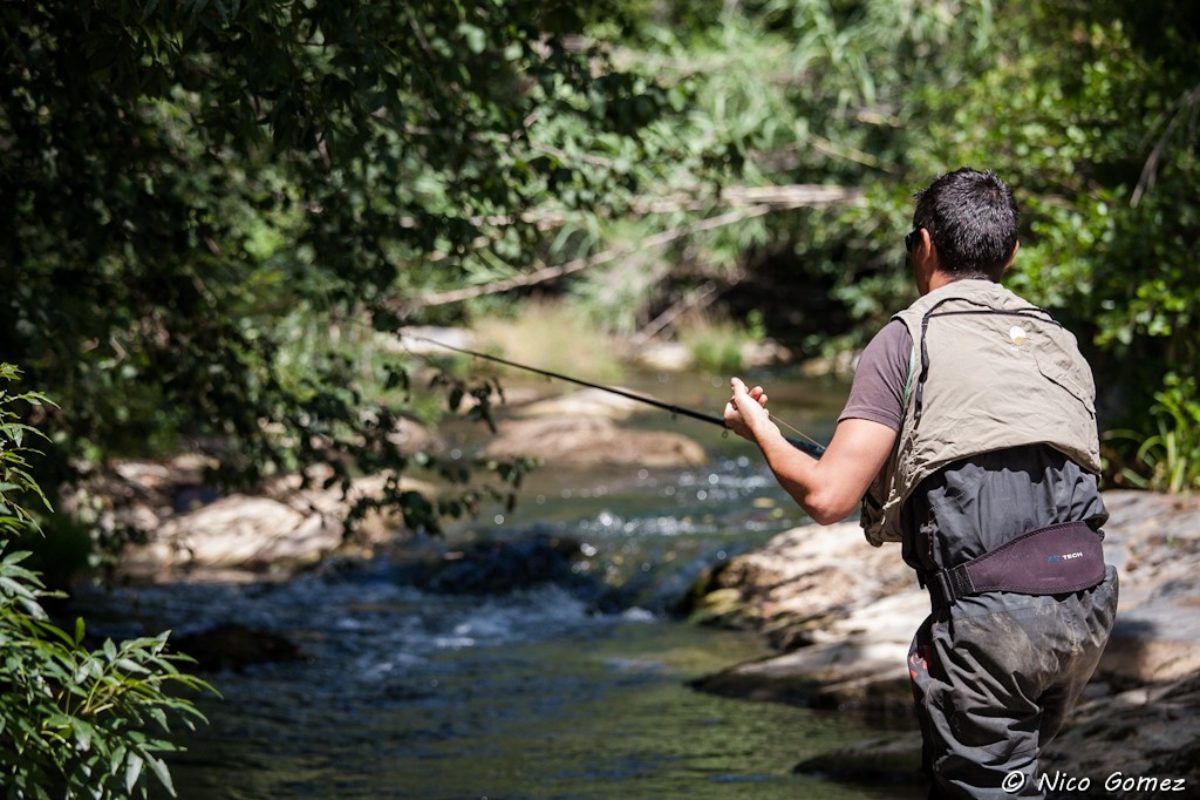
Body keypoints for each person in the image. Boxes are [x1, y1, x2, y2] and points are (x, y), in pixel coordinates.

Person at [722, 167, 1118, 799]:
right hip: (1088, 607)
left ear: (924, 244)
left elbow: (829, 496)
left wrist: (761, 430)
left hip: (993, 624)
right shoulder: (1059, 341)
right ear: (1011, 253)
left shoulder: (908, 336)